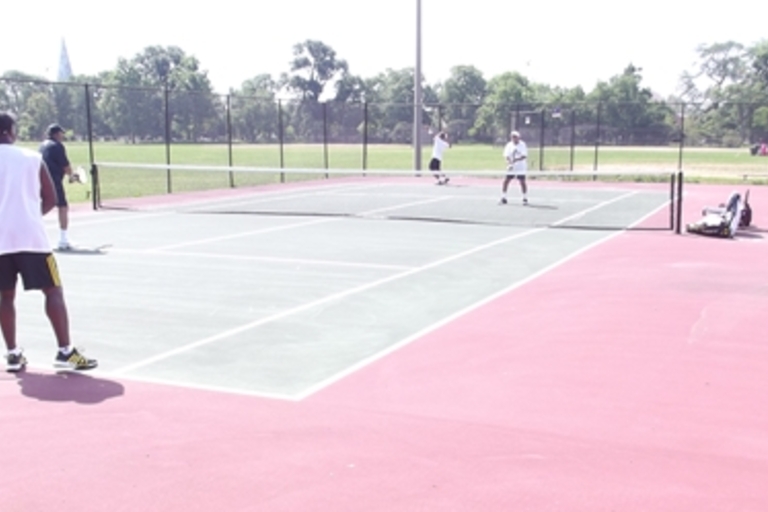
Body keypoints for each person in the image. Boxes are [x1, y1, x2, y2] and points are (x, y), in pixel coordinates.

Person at [0, 113, 97, 372]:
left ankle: (12, 353)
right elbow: (51, 198)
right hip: (32, 239)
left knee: (4, 297)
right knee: (53, 291)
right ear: (9, 131)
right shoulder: (31, 158)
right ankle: (65, 351)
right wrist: (30, 216)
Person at [39, 123, 73, 250]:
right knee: (63, 207)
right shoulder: (58, 146)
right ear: (56, 134)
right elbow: (66, 166)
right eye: (61, 133)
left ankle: (34, 236)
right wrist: (72, 175)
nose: (62, 136)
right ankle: (63, 240)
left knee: (39, 208)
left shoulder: (41, 145)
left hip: (38, 180)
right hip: (53, 181)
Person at [500, 130, 528, 205]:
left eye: (515, 137)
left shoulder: (522, 145)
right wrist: (509, 162)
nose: (514, 138)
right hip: (511, 167)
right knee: (506, 181)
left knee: (522, 182)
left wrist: (515, 160)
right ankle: (504, 197)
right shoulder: (509, 145)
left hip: (521, 167)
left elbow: (524, 156)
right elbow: (506, 155)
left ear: (518, 137)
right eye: (512, 137)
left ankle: (524, 198)